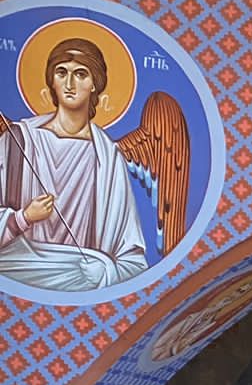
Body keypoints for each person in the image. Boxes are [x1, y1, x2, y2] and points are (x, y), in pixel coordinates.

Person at [0, 35, 150, 292]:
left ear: (94, 84)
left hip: (83, 274)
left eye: (81, 74)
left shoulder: (108, 158)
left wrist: (107, 271)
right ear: (51, 81)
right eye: (61, 73)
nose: (69, 84)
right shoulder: (18, 141)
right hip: (19, 263)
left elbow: (131, 255)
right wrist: (23, 218)